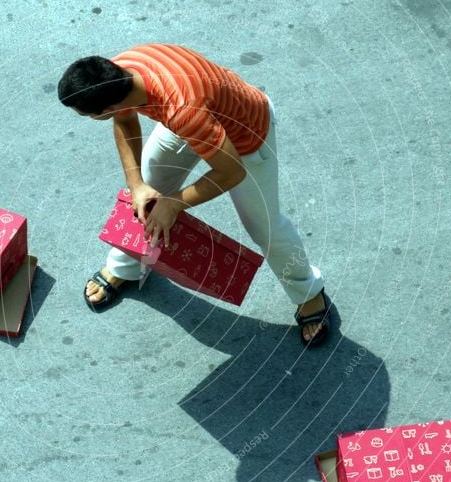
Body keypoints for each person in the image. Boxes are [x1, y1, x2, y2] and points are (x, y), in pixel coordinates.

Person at [57, 43, 331, 345]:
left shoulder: (184, 111)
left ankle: (308, 293)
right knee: (147, 182)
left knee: (264, 226)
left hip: (245, 135)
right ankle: (127, 265)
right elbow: (124, 118)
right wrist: (136, 186)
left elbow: (232, 171)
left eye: (89, 115)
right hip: (195, 117)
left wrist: (175, 204)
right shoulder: (122, 70)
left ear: (107, 108)